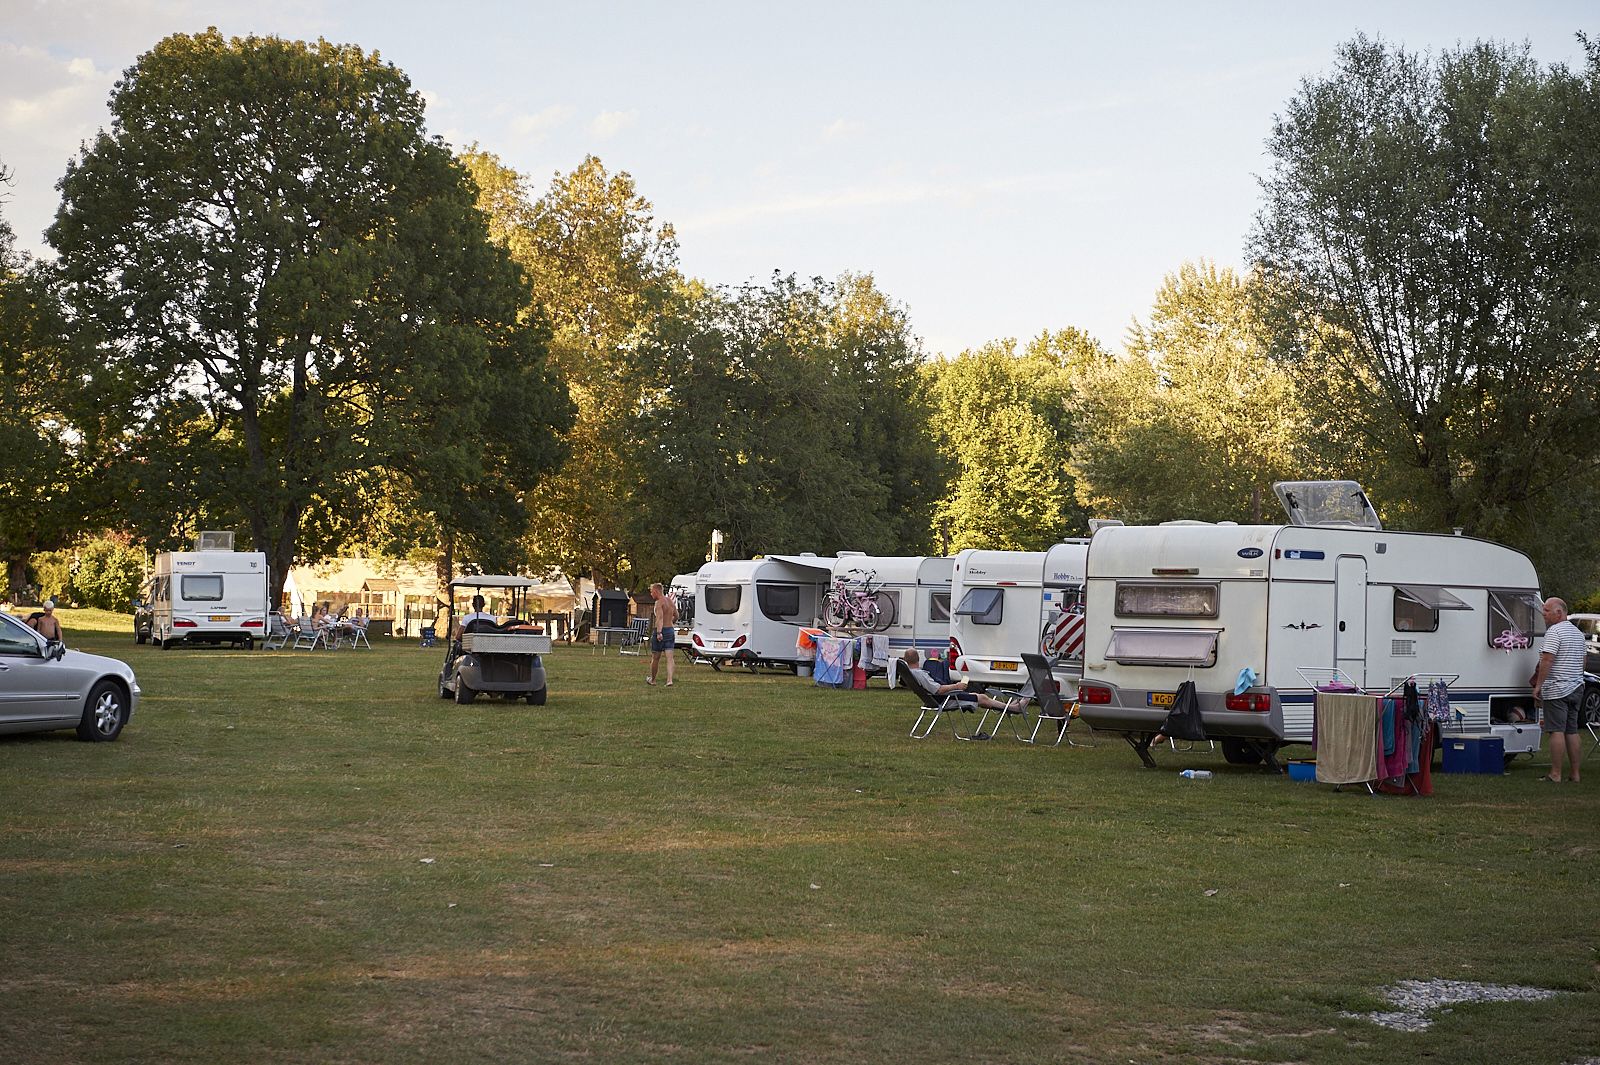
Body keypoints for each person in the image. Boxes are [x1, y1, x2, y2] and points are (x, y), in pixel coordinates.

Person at [1530, 596, 1584, 783]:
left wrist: (1538, 686)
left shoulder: (1554, 632)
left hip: (1558, 688)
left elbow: (1547, 659)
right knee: (1572, 730)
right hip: (1577, 686)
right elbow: (1583, 661)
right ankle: (1575, 774)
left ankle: (1556, 773)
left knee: (1556, 730)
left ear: (1559, 613)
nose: (1543, 614)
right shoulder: (1577, 633)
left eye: (1546, 610)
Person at [900, 649, 1013, 711]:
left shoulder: (909, 674)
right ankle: (1013, 708)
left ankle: (1011, 707)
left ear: (905, 659)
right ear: (918, 658)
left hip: (933, 700)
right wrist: (957, 686)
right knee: (982, 698)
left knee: (975, 695)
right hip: (944, 699)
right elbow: (938, 690)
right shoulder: (920, 674)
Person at [647, 582, 678, 686]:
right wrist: (671, 622)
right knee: (670, 657)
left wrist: (659, 633)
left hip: (661, 631)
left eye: (651, 592)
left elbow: (659, 618)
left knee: (656, 657)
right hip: (670, 630)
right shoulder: (670, 601)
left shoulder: (659, 603)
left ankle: (653, 680)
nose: (651, 594)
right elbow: (677, 615)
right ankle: (669, 680)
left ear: (656, 591)